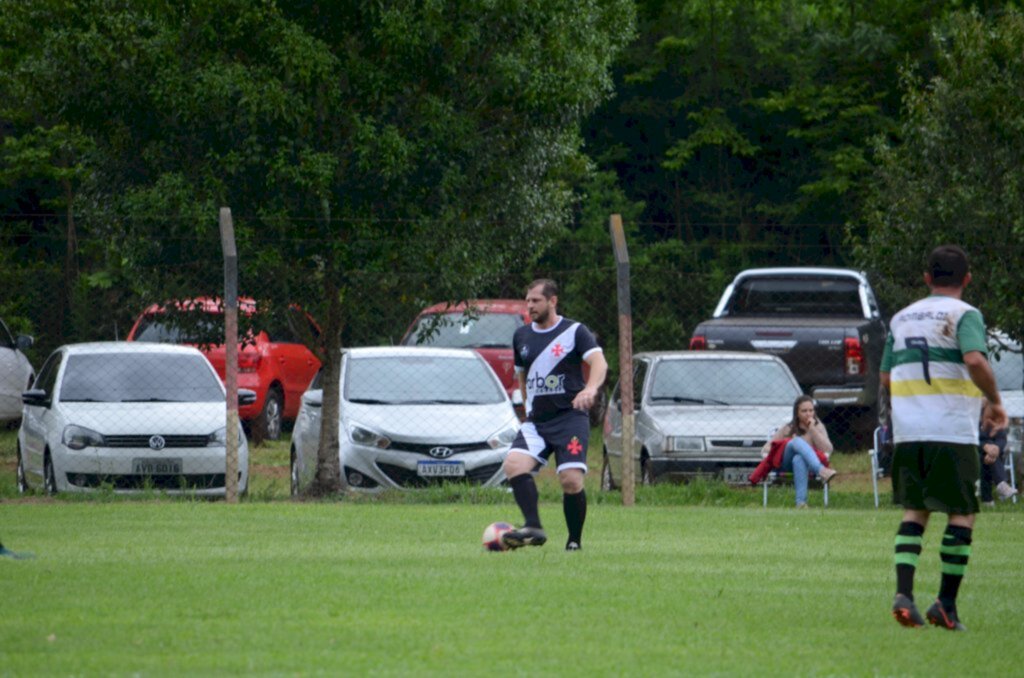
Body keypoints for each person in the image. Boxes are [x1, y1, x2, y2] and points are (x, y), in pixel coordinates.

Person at [885, 245, 1008, 632]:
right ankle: (946, 605)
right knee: (962, 511)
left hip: (909, 432)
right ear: (967, 279)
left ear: (926, 278)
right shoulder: (965, 314)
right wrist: (994, 400)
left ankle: (904, 594)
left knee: (916, 508)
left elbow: (886, 378)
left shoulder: (901, 319)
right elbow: (974, 360)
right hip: (950, 430)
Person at [501, 279, 608, 551]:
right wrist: (527, 410)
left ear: (553, 301)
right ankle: (533, 526)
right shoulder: (521, 336)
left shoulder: (574, 331)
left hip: (570, 418)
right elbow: (522, 377)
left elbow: (599, 362)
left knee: (571, 480)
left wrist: (591, 388)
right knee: (514, 465)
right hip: (537, 422)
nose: (530, 306)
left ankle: (574, 542)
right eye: (527, 301)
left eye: (535, 301)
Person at [749, 395, 836, 507]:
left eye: (811, 410)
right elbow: (765, 449)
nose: (808, 414)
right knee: (795, 442)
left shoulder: (818, 427)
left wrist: (812, 429)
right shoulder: (788, 427)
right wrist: (784, 446)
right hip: (785, 463)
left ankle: (801, 503)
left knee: (799, 459)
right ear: (797, 413)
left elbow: (828, 449)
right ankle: (822, 471)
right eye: (804, 411)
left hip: (807, 465)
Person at [978, 408, 1017, 506]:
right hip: (972, 452)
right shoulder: (969, 418)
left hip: (990, 455)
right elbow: (969, 438)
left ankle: (987, 500)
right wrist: (985, 446)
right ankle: (1001, 484)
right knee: (988, 454)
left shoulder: (996, 418)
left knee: (989, 458)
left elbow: (1002, 439)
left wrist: (995, 449)